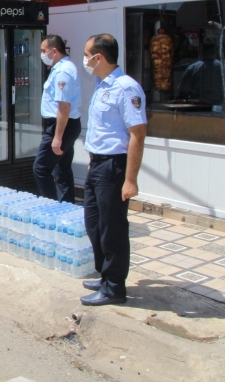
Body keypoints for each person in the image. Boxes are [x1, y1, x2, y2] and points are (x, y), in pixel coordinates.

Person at [80, 34, 147, 307]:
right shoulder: (101, 84)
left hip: (113, 168)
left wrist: (130, 179)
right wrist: (93, 157)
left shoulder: (126, 89)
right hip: (97, 164)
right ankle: (104, 274)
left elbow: (138, 135)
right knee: (94, 224)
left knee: (113, 229)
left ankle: (114, 288)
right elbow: (104, 130)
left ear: (99, 57)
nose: (84, 60)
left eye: (86, 55)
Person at [33, 35, 81, 203]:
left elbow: (64, 106)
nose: (42, 54)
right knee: (62, 168)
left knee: (41, 168)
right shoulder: (61, 68)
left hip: (61, 126)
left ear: (54, 51)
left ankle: (50, 207)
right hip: (66, 125)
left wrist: (57, 137)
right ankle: (66, 207)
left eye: (43, 51)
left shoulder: (62, 71)